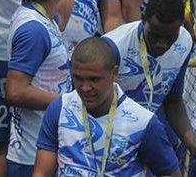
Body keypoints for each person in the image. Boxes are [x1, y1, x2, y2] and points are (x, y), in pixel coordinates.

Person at [33, 37, 181, 176]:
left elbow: (170, 173)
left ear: (114, 73)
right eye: (78, 78)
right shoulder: (60, 109)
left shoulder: (143, 123)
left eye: (94, 79)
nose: (85, 88)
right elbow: (41, 173)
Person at [103, 0, 196, 157]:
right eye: (154, 35)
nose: (161, 44)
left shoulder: (184, 42)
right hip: (110, 137)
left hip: (148, 133)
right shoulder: (114, 48)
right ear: (143, 18)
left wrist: (194, 146)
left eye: (170, 36)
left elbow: (173, 100)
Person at [4, 0, 72, 175]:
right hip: (31, 158)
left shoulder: (43, 18)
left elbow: (63, 16)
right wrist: (70, 103)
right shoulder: (33, 28)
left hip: (46, 152)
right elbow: (15, 91)